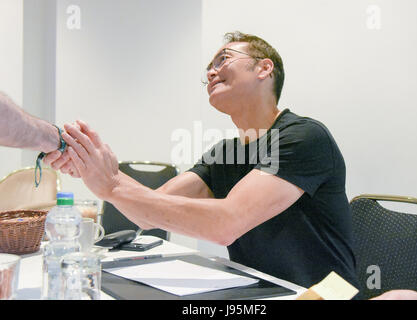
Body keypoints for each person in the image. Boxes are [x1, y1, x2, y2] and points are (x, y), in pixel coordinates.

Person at [49, 31, 360, 291]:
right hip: (260, 291)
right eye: (208, 68)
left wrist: (112, 184)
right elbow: (151, 211)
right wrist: (96, 167)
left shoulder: (304, 137)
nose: (211, 72)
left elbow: (226, 223)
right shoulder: (225, 152)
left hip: (319, 296)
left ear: (264, 68)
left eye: (223, 59)